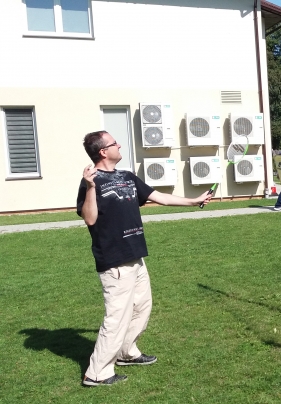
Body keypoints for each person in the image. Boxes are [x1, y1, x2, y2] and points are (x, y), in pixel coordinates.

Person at [76, 131, 211, 386]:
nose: (119, 145)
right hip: (115, 260)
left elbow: (160, 197)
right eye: (114, 143)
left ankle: (127, 352)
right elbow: (90, 219)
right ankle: (97, 373)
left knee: (141, 308)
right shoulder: (91, 182)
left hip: (136, 256)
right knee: (116, 318)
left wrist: (194, 201)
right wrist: (91, 187)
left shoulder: (127, 177)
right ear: (103, 151)